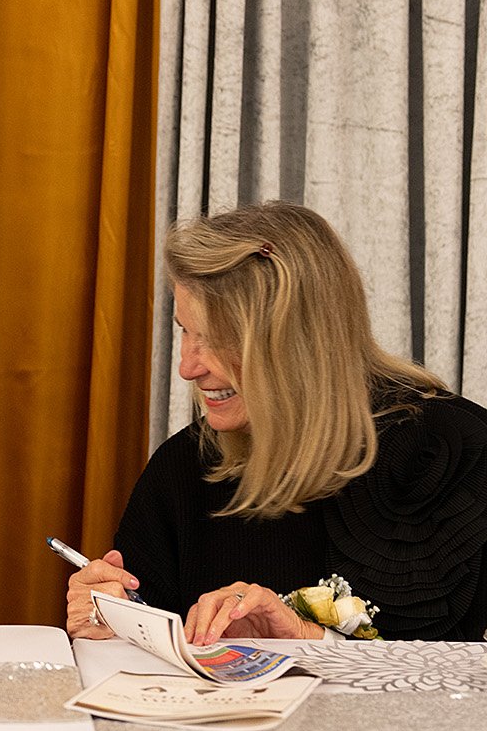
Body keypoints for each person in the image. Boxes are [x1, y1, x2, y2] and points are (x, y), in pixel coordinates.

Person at [68, 203, 487, 643]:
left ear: (299, 342)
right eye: (186, 332)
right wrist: (110, 623)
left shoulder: (453, 454)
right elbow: (149, 655)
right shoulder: (186, 464)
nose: (188, 368)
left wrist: (311, 642)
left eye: (217, 339)